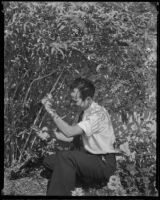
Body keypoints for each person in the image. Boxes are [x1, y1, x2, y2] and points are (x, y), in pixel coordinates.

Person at [41, 77, 116, 196]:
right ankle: (82, 180)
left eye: (75, 100)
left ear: (88, 99)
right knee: (49, 161)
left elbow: (70, 132)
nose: (73, 103)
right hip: (88, 157)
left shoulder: (97, 114)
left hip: (103, 162)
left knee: (66, 158)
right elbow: (72, 138)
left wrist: (51, 112)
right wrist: (51, 135)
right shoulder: (85, 111)